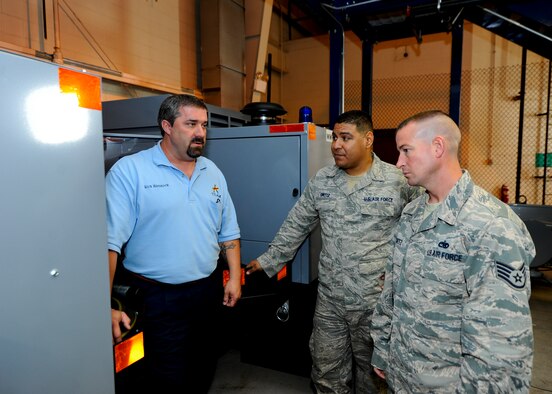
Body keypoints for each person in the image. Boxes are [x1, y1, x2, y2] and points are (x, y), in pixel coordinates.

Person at [246, 110, 420, 393]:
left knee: (375, 376)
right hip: (330, 302)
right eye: (335, 137)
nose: (336, 144)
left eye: (346, 138)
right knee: (326, 372)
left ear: (368, 139)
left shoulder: (398, 180)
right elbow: (297, 223)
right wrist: (269, 260)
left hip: (375, 304)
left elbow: (422, 227)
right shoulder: (323, 181)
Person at [371, 110, 535, 392]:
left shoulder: (491, 226)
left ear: (437, 147)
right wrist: (383, 349)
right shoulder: (412, 213)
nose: (398, 163)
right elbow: (393, 291)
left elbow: (500, 344)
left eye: (406, 151)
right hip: (403, 375)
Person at [106, 94, 242, 393]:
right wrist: (101, 304)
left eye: (204, 125)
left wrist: (233, 277)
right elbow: (109, 244)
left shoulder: (212, 171)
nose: (200, 133)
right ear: (166, 126)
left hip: (207, 292)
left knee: (204, 368)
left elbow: (228, 230)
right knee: (168, 380)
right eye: (191, 124)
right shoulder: (130, 172)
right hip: (159, 299)